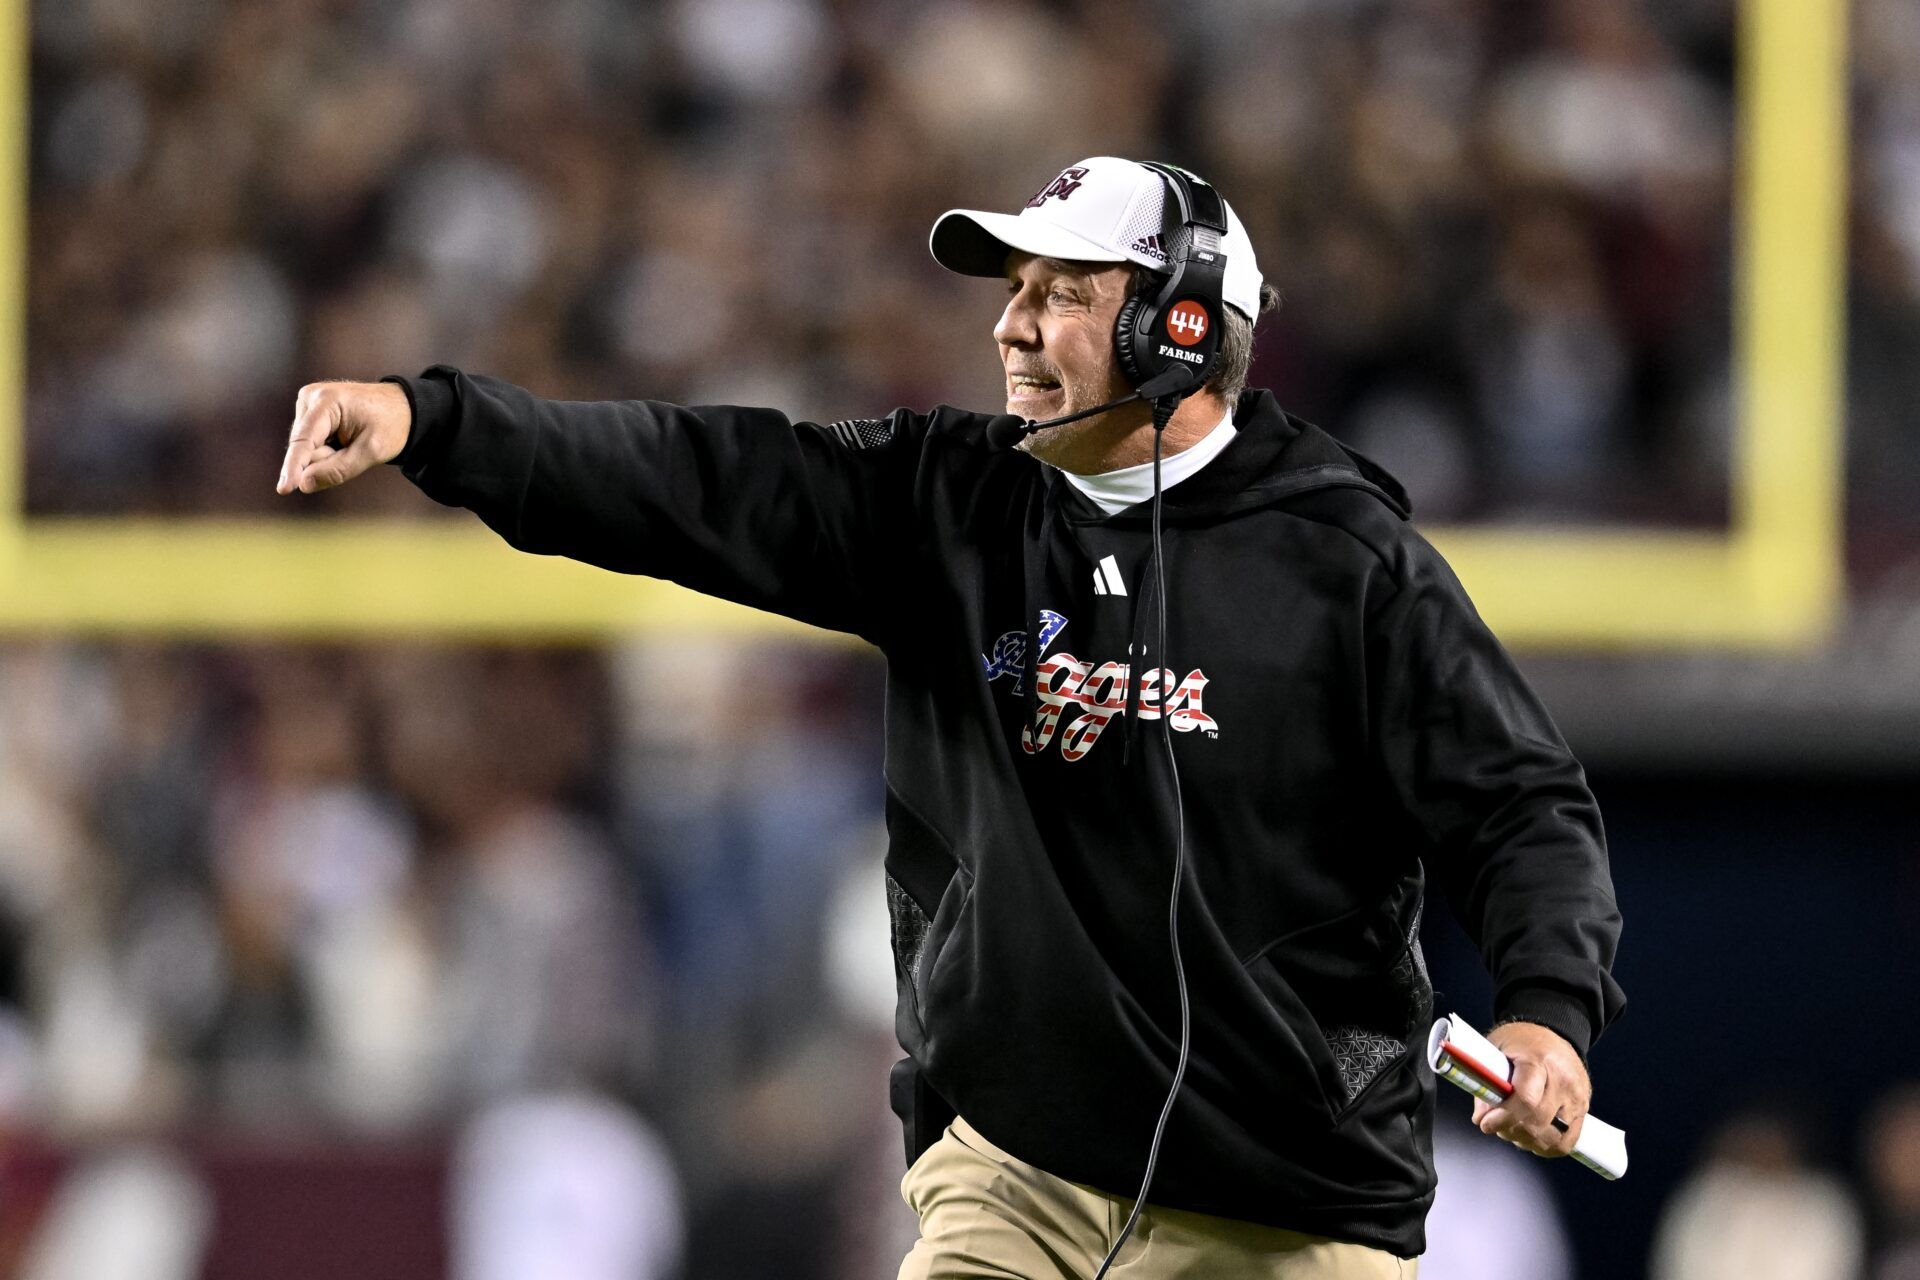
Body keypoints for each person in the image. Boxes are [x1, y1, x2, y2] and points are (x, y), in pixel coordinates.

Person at [276, 156, 1625, 1279]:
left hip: (1281, 1196)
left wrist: (1549, 1013)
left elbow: (1519, 802)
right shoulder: (947, 504)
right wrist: (434, 423)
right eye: (1014, 289)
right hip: (1016, 1170)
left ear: (1183, 327)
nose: (1013, 325)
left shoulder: (1347, 564)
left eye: (1062, 293)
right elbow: (698, 480)